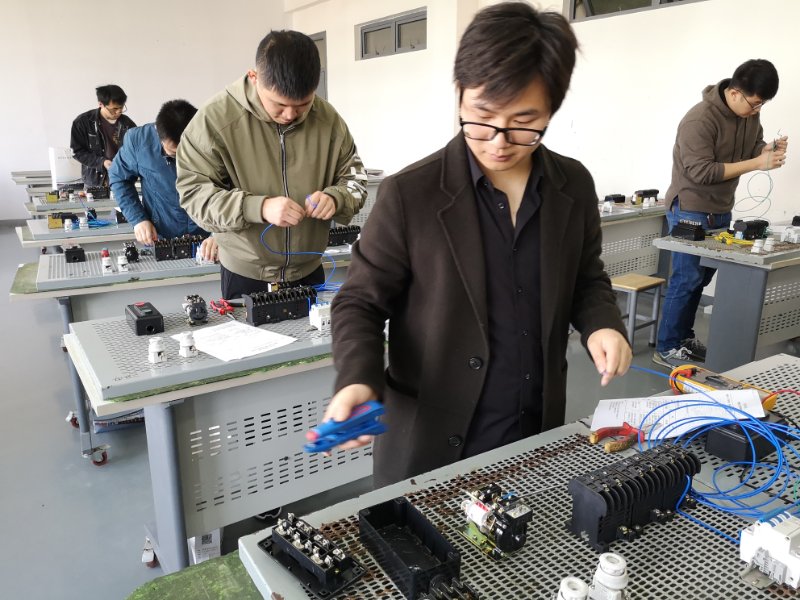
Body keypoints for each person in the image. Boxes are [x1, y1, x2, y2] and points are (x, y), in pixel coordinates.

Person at [323, 2, 632, 487]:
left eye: (524, 122)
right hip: (431, 444)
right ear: (461, 95)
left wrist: (603, 325)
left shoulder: (572, 186)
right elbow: (360, 301)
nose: (498, 141)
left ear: (551, 110)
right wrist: (357, 378)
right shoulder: (411, 194)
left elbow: (586, 277)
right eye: (482, 117)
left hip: (533, 436)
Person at [177, 30, 367, 300]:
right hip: (245, 273)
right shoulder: (214, 121)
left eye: (303, 105)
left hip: (310, 268)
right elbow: (195, 196)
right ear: (254, 77)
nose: (290, 115)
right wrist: (258, 207)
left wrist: (336, 198)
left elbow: (356, 180)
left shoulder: (328, 120)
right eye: (279, 104)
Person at [653, 59, 788, 369]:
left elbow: (751, 147)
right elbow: (701, 172)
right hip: (689, 207)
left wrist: (765, 150)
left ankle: (683, 338)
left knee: (700, 279)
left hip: (721, 209)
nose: (757, 110)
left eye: (762, 104)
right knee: (686, 280)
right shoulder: (699, 120)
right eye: (755, 103)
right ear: (735, 93)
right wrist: (757, 164)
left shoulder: (749, 114)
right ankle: (667, 347)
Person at [109, 100, 216, 260]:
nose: (183, 159)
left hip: (210, 235)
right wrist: (138, 219)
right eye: (175, 154)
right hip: (162, 238)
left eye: (189, 153)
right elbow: (119, 179)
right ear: (160, 137)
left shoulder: (217, 139)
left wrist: (221, 234)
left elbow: (234, 184)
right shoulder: (139, 141)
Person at [70, 84, 136, 187]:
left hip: (122, 179)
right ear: (101, 104)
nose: (118, 112)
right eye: (114, 109)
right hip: (94, 181)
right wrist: (102, 162)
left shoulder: (128, 124)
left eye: (121, 107)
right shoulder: (83, 122)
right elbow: (77, 151)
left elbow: (135, 151)